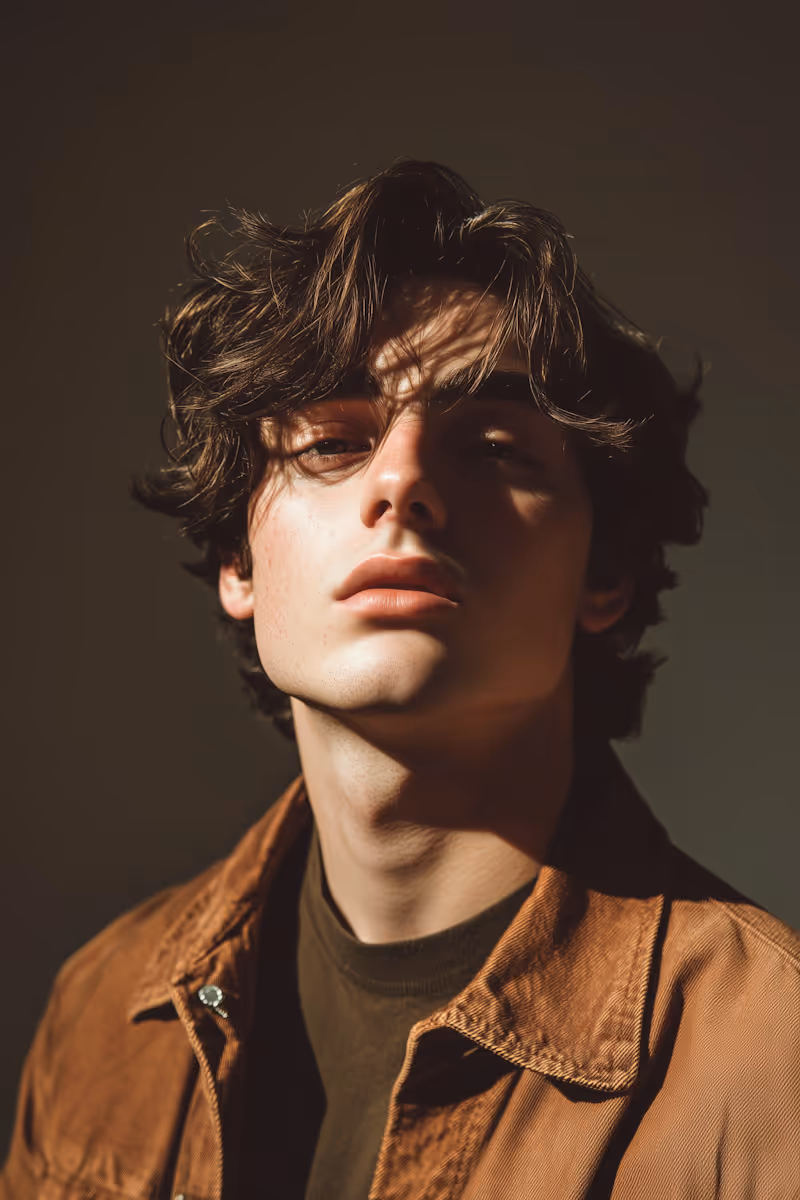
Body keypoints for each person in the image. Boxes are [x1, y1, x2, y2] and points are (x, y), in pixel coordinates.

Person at [3, 160, 798, 1200]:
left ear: (602, 573)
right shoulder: (103, 1010)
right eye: (333, 440)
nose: (404, 481)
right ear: (237, 564)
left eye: (494, 446)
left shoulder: (767, 1061)